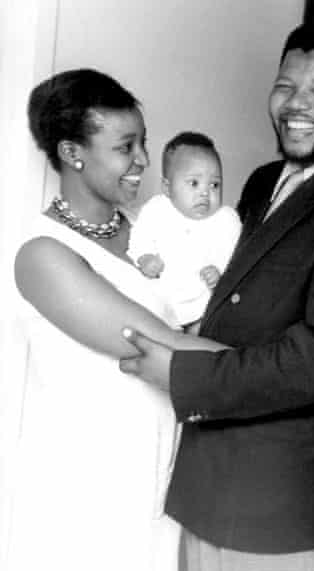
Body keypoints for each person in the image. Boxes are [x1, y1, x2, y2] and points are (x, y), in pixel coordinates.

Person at [119, 23, 314, 571]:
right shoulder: (260, 180)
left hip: (277, 498)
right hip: (208, 478)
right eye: (285, 86)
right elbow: (235, 300)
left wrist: (182, 373)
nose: (296, 104)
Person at [9, 68, 229, 571]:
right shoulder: (42, 254)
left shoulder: (150, 239)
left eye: (143, 144)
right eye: (126, 147)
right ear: (72, 153)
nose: (144, 162)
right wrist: (296, 377)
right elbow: (156, 341)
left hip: (157, 478)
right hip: (82, 495)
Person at [128, 131, 242, 326]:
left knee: (209, 332)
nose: (205, 193)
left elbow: (235, 254)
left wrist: (219, 271)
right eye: (194, 183)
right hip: (161, 303)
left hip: (204, 306)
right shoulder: (157, 209)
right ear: (167, 187)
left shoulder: (226, 219)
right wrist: (145, 257)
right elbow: (139, 238)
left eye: (214, 184)